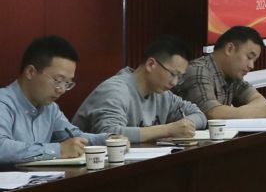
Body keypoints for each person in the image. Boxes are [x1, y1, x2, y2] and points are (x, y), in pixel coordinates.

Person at [74, 36, 207, 143]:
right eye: (173, 74)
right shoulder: (115, 90)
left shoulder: (163, 94)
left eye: (179, 77)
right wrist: (168, 130)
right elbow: (110, 134)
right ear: (151, 64)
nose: (174, 82)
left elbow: (199, 115)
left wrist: (185, 126)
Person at [0, 35, 105, 164]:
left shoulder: (50, 108)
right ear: (30, 72)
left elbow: (75, 137)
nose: (62, 90)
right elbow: (1, 148)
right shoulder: (3, 103)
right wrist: (58, 150)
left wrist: (109, 139)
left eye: (67, 83)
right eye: (58, 80)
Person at [175, 26, 266, 121]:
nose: (251, 66)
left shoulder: (232, 75)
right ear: (230, 49)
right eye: (249, 57)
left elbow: (260, 101)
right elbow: (212, 114)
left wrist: (235, 112)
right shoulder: (198, 71)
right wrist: (262, 113)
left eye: (254, 61)